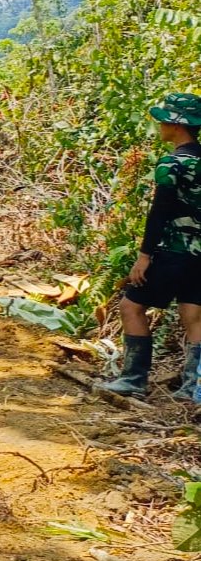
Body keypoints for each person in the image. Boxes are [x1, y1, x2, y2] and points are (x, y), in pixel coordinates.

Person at [99, 94, 201, 400]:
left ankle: (133, 379)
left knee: (131, 307)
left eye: (164, 120)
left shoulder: (173, 163)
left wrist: (144, 256)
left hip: (174, 251)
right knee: (194, 314)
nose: (159, 125)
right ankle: (193, 386)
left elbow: (160, 212)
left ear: (176, 125)